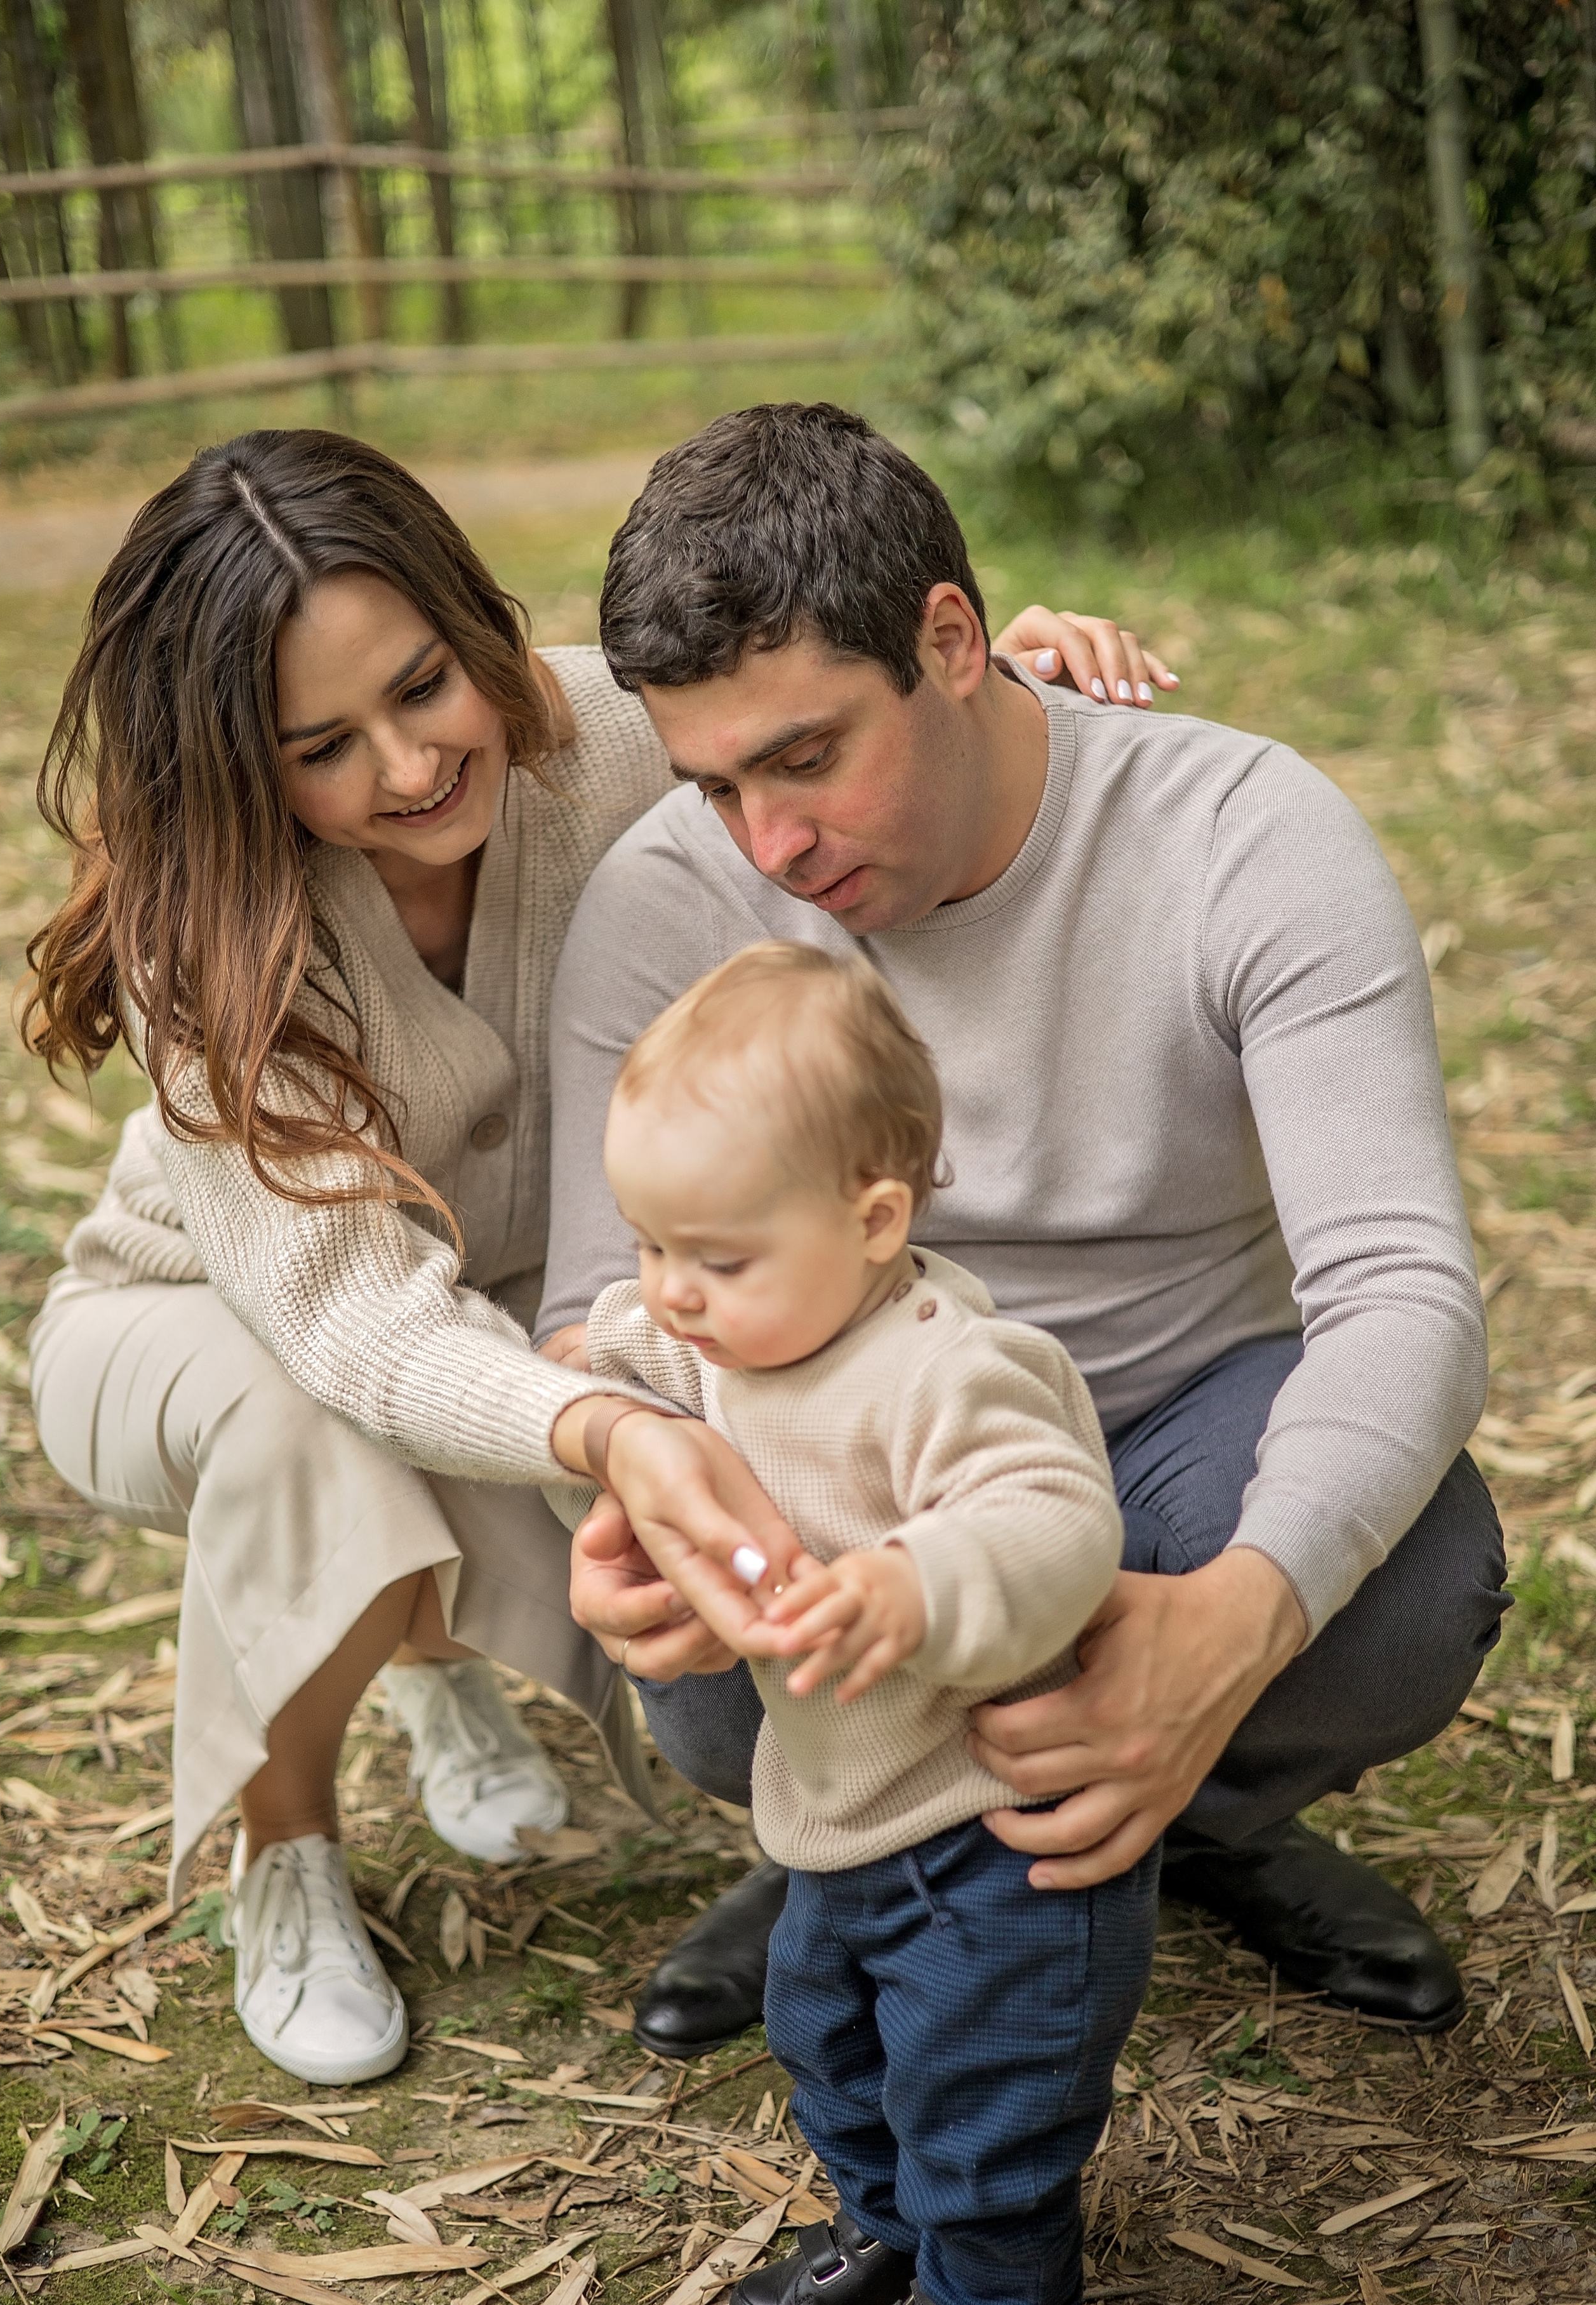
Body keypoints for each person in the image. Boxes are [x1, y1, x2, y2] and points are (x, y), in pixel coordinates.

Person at [18, 422, 1149, 2086]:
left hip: (480, 1292)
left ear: (469, 624)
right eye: (321, 746)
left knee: (506, 1381)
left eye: (422, 687)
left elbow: (824, 702)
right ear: (244, 767)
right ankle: (288, 1850)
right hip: (201, 1312)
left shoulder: (608, 735)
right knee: (312, 1414)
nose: (406, 768)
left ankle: (417, 1657)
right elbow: (354, 1319)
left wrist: (1002, 676)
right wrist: (615, 1424)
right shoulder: (220, 931)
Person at [536, 400, 1511, 2067]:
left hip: (1181, 1432)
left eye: (809, 755)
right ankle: (853, 1838)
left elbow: (1402, 1288)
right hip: (855, 1462)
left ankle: (1182, 1807)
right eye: (716, 784)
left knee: (1406, 1582)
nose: (771, 844)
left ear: (952, 639)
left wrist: (1240, 1619)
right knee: (701, 1665)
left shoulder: (1246, 841)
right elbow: (590, 1308)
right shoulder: (662, 901)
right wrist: (634, 1481)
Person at [571, 940, 1137, 2305]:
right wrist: (595, 1411)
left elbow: (1056, 1524)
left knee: (980, 2093)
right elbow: (598, 1360)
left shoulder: (946, 1368)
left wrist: (911, 1580)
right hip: (839, 1812)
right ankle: (890, 2233)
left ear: (873, 1219)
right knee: (828, 2042)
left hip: (993, 1837)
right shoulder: (724, 1334)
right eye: (649, 1243)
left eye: (714, 1257)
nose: (670, 1294)